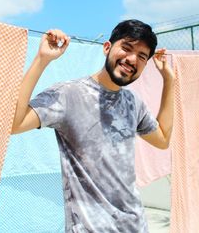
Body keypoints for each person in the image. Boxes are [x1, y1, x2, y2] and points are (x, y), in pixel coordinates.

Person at [11, 19, 174, 232]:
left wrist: (169, 80)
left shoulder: (133, 103)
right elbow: (15, 124)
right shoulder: (68, 94)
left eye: (142, 56)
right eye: (126, 48)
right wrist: (41, 60)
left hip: (135, 226)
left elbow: (162, 139)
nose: (132, 59)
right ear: (107, 48)